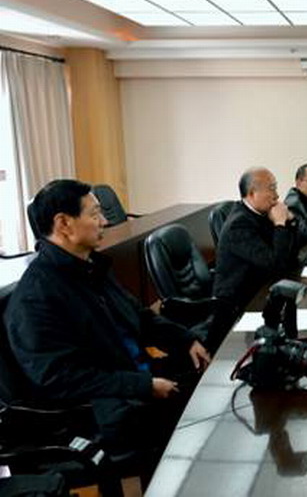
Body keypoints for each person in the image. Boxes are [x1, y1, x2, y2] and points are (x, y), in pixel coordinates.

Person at [3, 179, 210, 463]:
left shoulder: (91, 266)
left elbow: (139, 316)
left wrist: (185, 340)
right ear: (63, 223)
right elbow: (59, 378)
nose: (104, 222)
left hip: (133, 377)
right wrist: (143, 385)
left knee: (211, 379)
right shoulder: (36, 296)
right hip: (98, 410)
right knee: (202, 422)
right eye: (94, 214)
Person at [211, 167, 298, 330]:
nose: (277, 196)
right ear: (252, 193)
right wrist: (280, 224)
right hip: (237, 308)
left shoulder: (260, 214)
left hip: (260, 291)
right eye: (271, 189)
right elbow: (275, 264)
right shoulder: (239, 224)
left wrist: (290, 221)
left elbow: (289, 256)